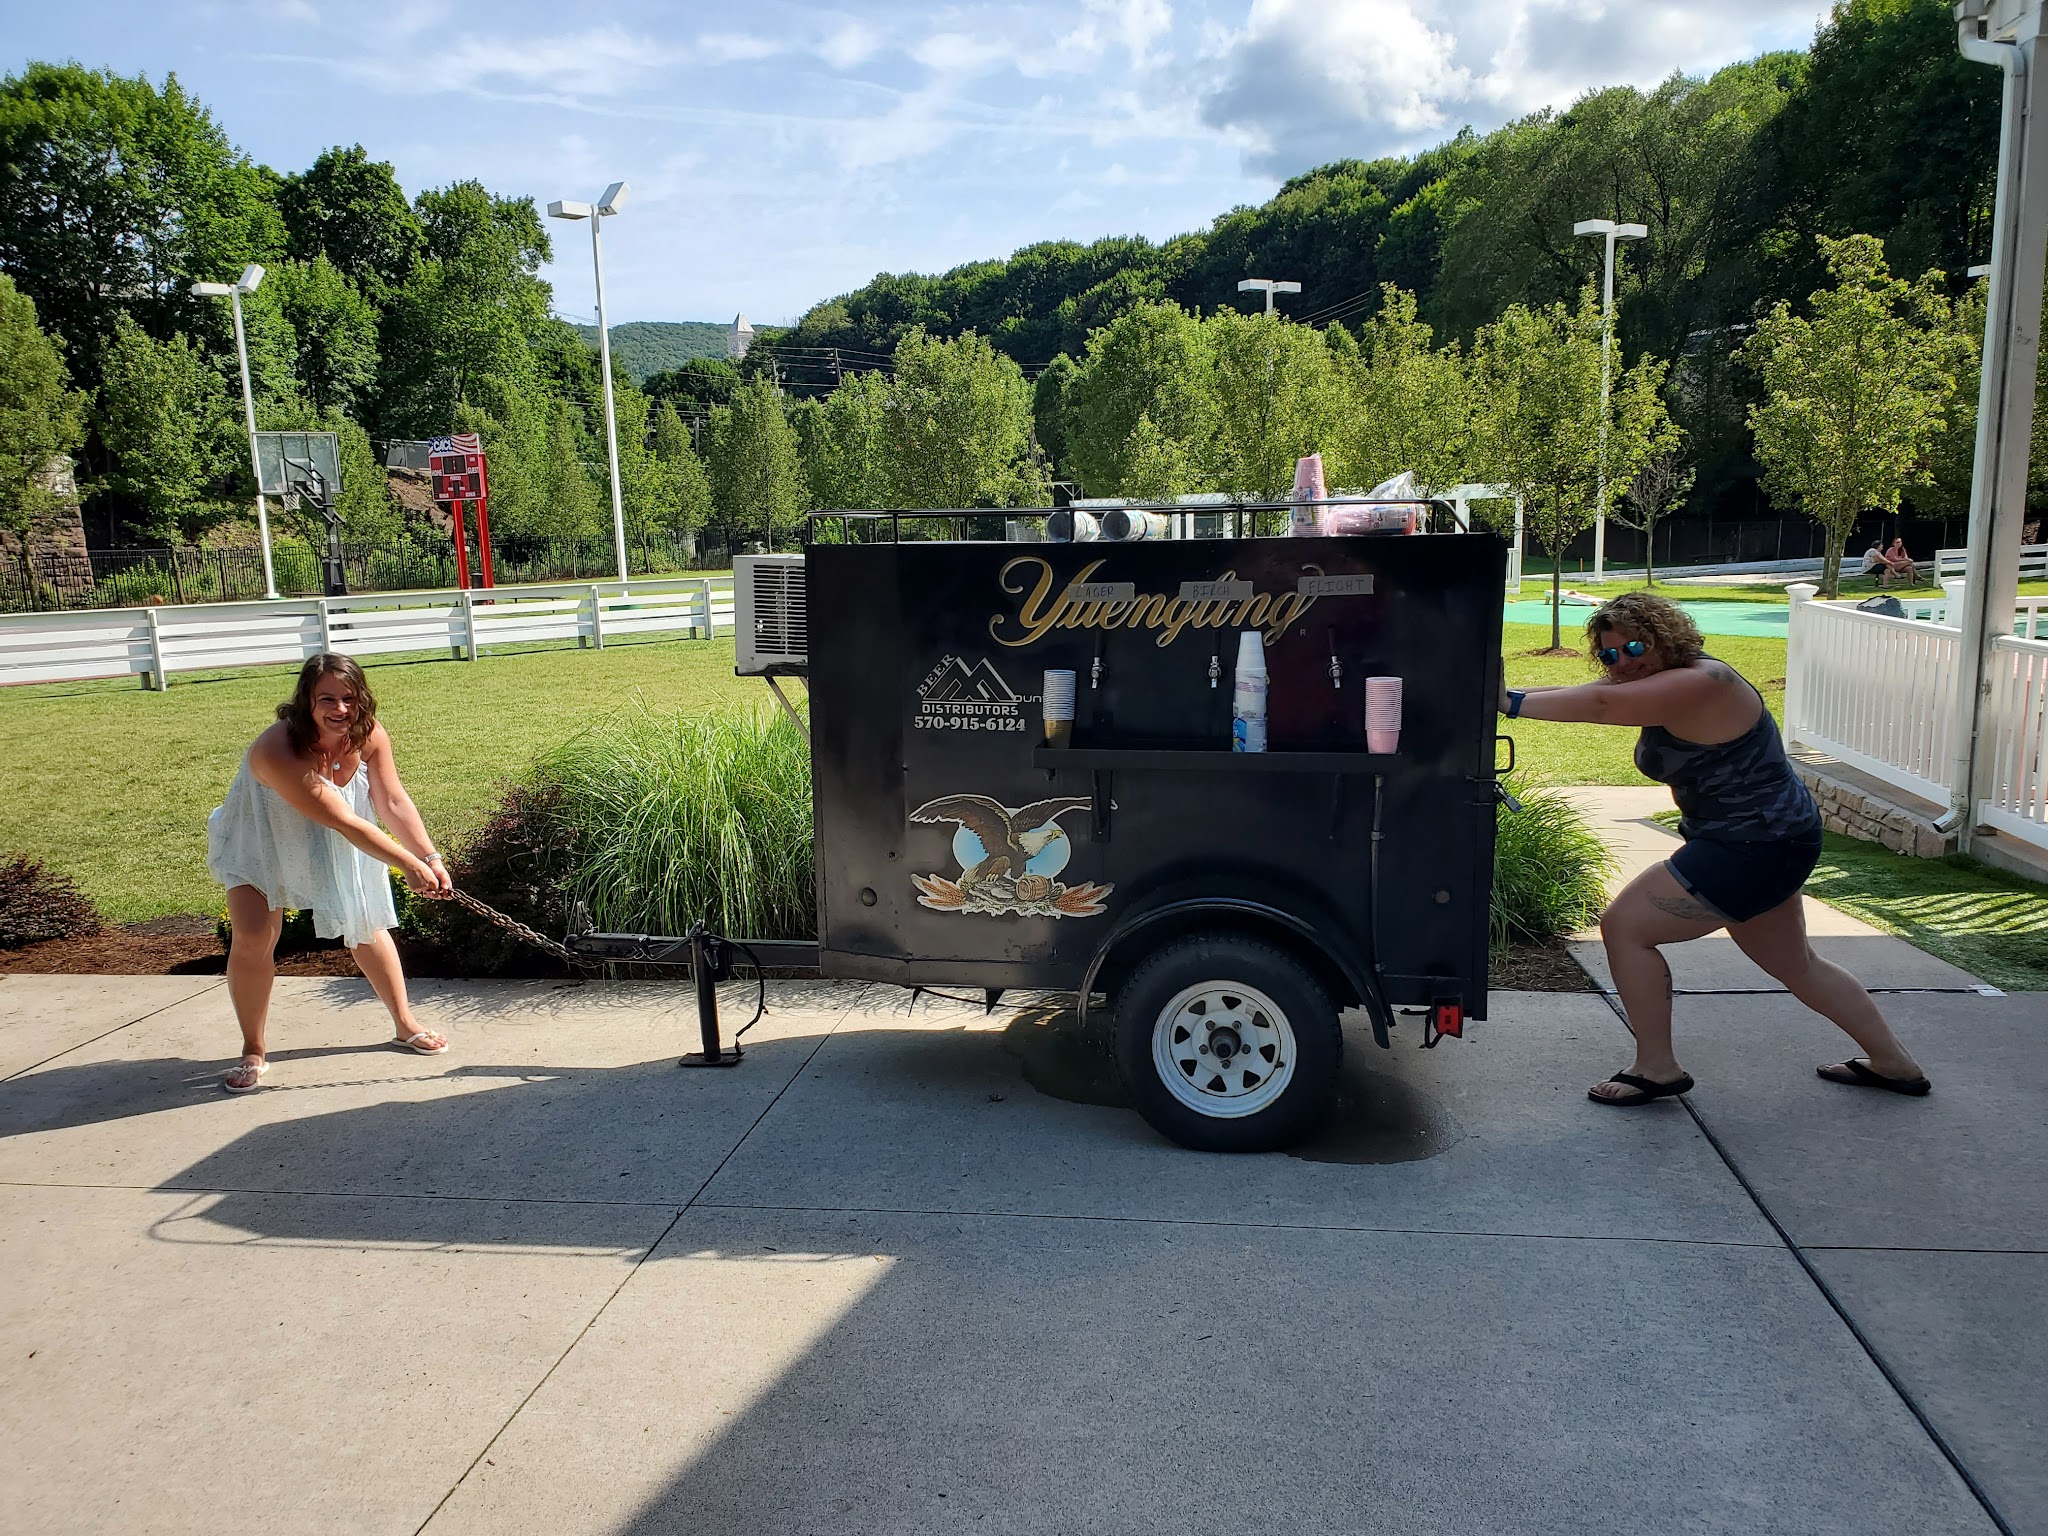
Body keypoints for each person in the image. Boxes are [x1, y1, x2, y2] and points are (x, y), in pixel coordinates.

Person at [1498, 592, 1929, 1105]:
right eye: (1610, 654)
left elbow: (1602, 704)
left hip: (1751, 844)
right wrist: (1507, 694)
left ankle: (1656, 1067)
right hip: (1769, 839)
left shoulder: (1705, 681)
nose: (1623, 663)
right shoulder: (1664, 680)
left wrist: (1510, 704)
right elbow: (1597, 691)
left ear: (1664, 638)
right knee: (1796, 964)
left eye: (1634, 647)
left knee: (1626, 927)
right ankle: (1893, 1064)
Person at [206, 653, 455, 1091]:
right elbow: (343, 819)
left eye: (349, 698)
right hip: (261, 840)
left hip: (340, 835)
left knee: (366, 921)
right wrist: (408, 864)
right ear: (306, 701)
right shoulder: (277, 750)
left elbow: (392, 801)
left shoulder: (369, 734)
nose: (340, 709)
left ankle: (404, 1023)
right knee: (253, 935)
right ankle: (253, 1048)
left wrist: (430, 857)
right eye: (327, 699)